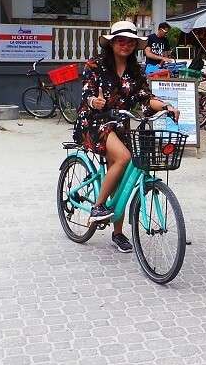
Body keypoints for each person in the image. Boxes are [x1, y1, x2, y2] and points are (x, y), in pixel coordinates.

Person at [73, 21, 179, 253]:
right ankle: (98, 207)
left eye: (130, 41)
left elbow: (145, 97)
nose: (126, 45)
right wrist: (95, 101)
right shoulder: (96, 65)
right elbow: (87, 93)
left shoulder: (136, 69)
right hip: (94, 122)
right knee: (124, 157)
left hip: (120, 124)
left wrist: (166, 106)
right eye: (121, 40)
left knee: (122, 176)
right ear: (111, 43)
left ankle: (118, 233)